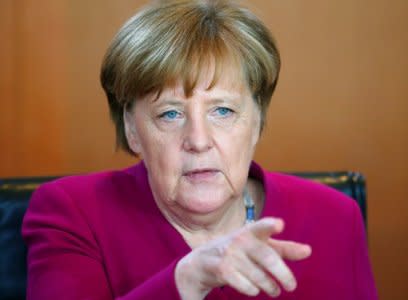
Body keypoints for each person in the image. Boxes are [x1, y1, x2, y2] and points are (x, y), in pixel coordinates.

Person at [22, 0, 377, 299]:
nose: (199, 139)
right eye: (170, 113)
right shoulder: (72, 214)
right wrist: (188, 279)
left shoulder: (335, 217)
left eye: (222, 111)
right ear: (132, 130)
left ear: (256, 122)